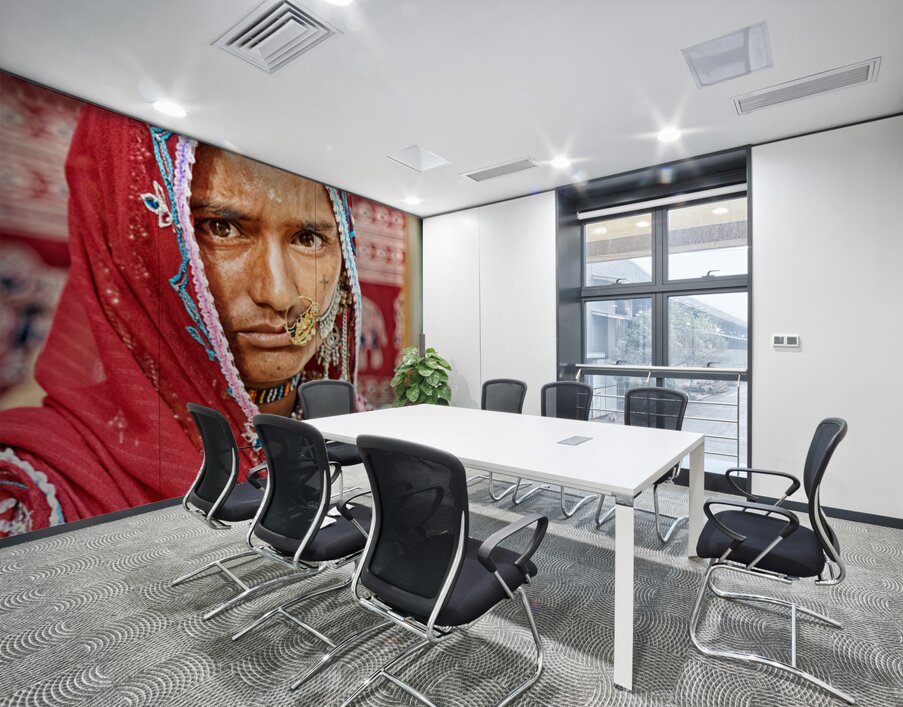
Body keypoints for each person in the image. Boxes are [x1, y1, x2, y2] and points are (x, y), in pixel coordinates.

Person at [0, 106, 361, 537]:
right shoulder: (32, 492)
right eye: (221, 228)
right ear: (128, 248)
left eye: (308, 238)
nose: (279, 294)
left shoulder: (353, 433)